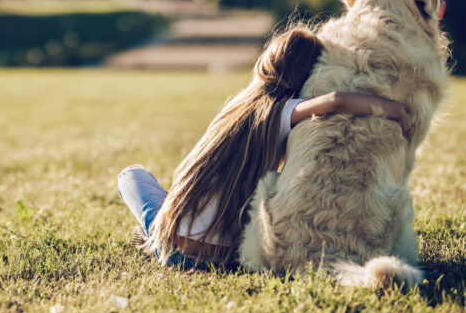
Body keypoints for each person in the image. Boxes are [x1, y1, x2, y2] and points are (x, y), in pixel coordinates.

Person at [118, 25, 410, 268]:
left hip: (176, 252)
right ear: (307, 74)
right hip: (226, 256)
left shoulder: (239, 108)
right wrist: (395, 110)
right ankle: (152, 232)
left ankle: (152, 234)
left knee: (132, 176)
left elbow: (336, 100)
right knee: (171, 204)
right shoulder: (284, 112)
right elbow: (337, 100)